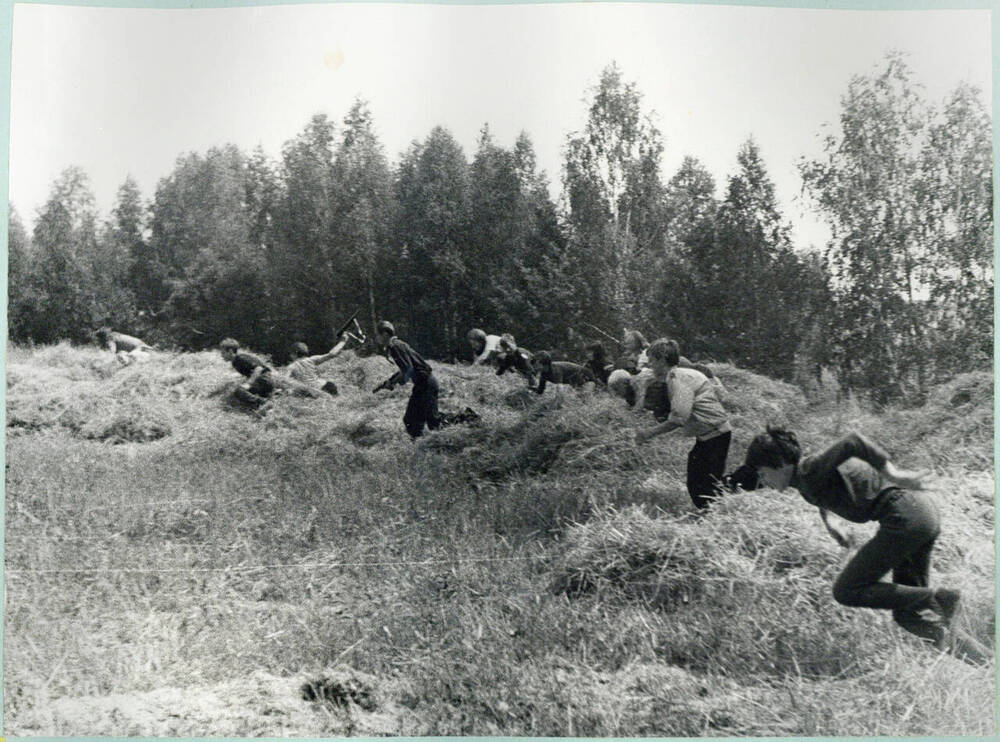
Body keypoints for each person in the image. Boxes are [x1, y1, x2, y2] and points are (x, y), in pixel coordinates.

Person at [744, 427, 988, 665]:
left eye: (763, 473)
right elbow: (821, 494)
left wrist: (894, 474)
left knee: (846, 590)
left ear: (781, 463)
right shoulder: (806, 480)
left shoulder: (810, 469)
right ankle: (987, 663)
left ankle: (940, 596)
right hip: (919, 514)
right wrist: (831, 522)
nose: (763, 481)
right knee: (912, 616)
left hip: (904, 517)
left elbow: (853, 441)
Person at [635, 339, 732, 510]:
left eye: (651, 361)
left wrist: (647, 434)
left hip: (716, 437)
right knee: (697, 485)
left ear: (662, 360)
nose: (649, 365)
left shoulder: (679, 379)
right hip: (709, 437)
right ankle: (715, 512)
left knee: (707, 487)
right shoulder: (676, 376)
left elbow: (678, 418)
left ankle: (729, 506)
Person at [374, 321, 479, 438]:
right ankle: (418, 444)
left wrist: (394, 382)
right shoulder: (398, 344)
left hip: (426, 384)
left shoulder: (395, 347)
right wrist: (391, 380)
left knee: (429, 422)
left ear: (384, 334)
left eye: (377, 335)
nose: (376, 338)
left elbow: (408, 369)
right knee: (416, 421)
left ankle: (468, 417)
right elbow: (406, 368)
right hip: (423, 384)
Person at [219, 338, 276, 409]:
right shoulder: (235, 362)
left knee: (239, 391)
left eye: (223, 353)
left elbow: (258, 368)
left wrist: (249, 383)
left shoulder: (241, 358)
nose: (221, 355)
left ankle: (264, 403)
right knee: (240, 392)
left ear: (230, 351)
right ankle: (265, 400)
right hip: (261, 381)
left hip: (264, 379)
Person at [286, 336, 353, 396]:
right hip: (326, 386)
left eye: (291, 353)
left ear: (295, 353)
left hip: (311, 392)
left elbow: (283, 380)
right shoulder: (312, 360)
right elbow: (332, 354)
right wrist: (343, 341)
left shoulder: (291, 366)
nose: (290, 355)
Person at [531, 351, 597, 395]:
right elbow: (540, 391)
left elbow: (560, 393)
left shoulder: (556, 371)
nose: (532, 366)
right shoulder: (544, 373)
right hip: (578, 384)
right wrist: (530, 389)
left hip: (588, 381)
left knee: (583, 399)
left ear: (542, 364)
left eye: (534, 363)